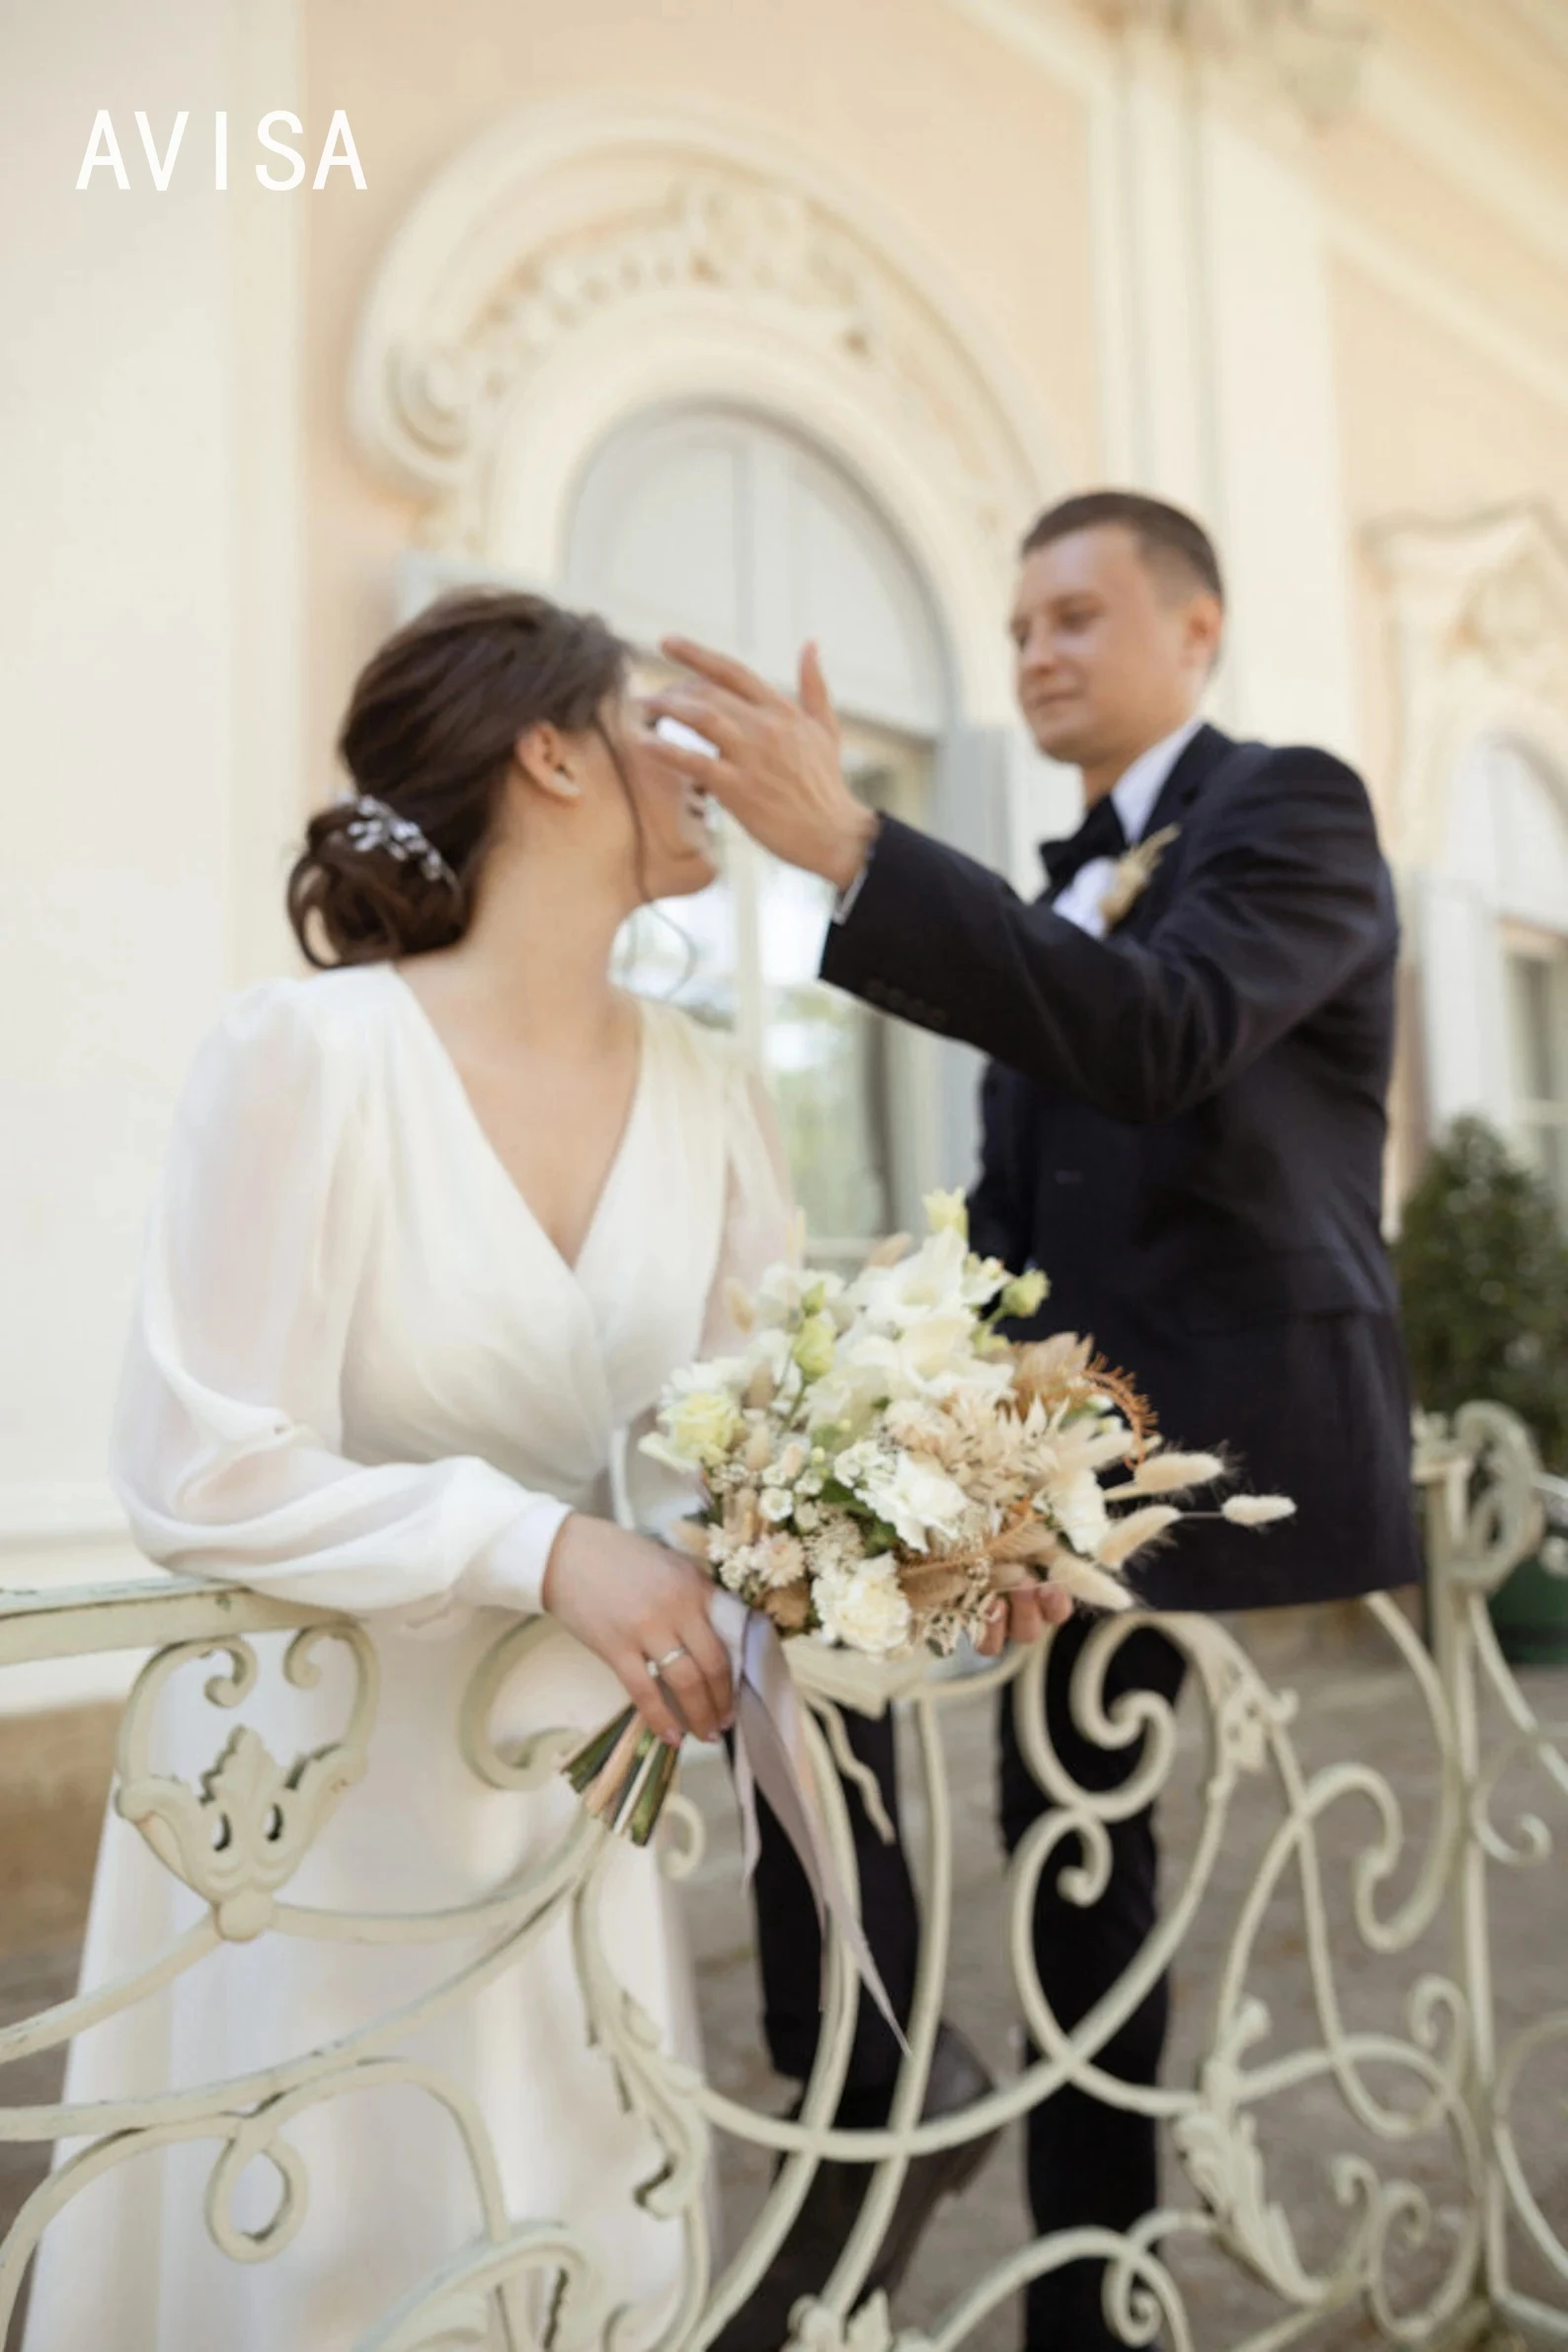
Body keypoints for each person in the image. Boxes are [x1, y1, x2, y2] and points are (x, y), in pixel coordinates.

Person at [650, 489, 1424, 2349]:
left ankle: (1100, 2282)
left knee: (1116, 1879)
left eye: (1075, 614)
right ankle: (941, 2151)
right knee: (985, 1797)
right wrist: (908, 1384)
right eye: (1015, 630)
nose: (1036, 654)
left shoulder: (1291, 807)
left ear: (1197, 627)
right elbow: (1026, 1201)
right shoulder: (1057, 873)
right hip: (1042, 1473)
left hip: (1223, 1452)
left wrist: (855, 846)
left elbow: (1158, 1036)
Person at [23, 588, 795, 2352]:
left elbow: (747, 1442)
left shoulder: (711, 1089)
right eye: (661, 723)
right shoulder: (310, 1053)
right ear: (549, 751)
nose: (711, 769)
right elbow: (203, 1466)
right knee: (338, 2246)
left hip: (571, 1778)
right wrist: (546, 1547)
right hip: (319, 1784)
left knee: (576, 2227)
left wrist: (927, 1538)